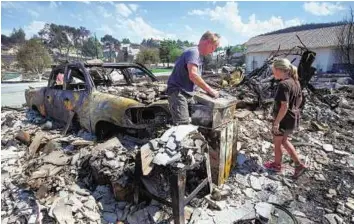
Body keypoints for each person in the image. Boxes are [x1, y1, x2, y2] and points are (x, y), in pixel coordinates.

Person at [263, 58, 307, 179]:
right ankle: (299, 165)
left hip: (283, 119)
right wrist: (295, 109)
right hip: (292, 118)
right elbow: (300, 99)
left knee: (277, 143)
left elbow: (284, 105)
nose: (273, 74)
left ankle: (277, 165)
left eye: (273, 71)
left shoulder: (283, 84)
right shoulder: (295, 81)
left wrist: (276, 122)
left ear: (279, 70)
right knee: (284, 141)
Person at [167, 31, 220, 125]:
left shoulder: (199, 56)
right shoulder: (193, 52)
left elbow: (194, 78)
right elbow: (193, 75)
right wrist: (210, 90)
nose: (212, 51)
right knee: (183, 126)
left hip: (188, 93)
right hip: (178, 93)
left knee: (200, 118)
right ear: (206, 42)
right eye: (213, 47)